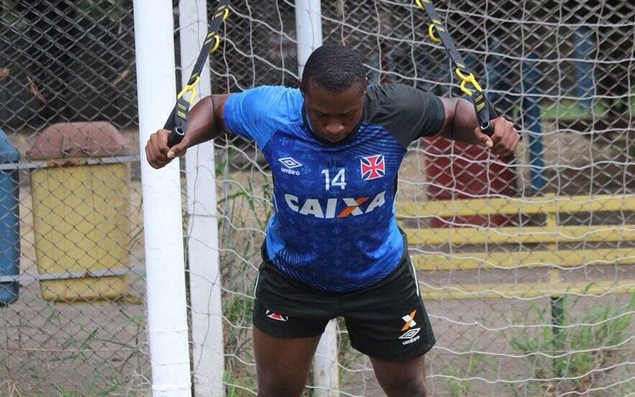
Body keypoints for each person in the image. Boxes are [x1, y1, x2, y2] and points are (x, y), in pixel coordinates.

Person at [146, 43, 519, 396]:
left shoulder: (395, 111)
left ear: (365, 94)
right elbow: (216, 108)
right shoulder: (272, 111)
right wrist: (181, 135)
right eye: (322, 115)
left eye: (347, 115)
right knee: (277, 393)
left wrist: (489, 126)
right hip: (294, 277)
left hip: (379, 276)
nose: (335, 127)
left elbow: (452, 113)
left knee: (409, 389)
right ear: (303, 94)